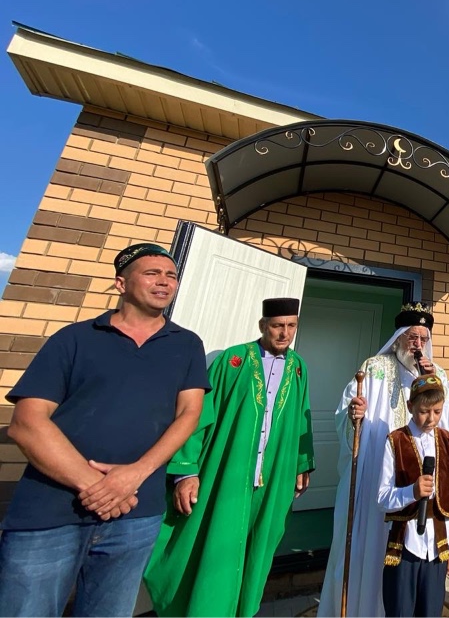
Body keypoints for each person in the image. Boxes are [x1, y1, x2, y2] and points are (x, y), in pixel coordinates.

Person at [0, 243, 208, 617]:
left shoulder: (187, 345)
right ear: (120, 283)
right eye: (152, 273)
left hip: (136, 514)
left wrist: (134, 476)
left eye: (171, 275)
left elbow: (189, 415)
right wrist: (99, 486)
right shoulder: (74, 339)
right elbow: (27, 423)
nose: (164, 281)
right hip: (50, 513)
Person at [144, 297, 315, 617]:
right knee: (213, 545)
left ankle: (241, 612)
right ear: (263, 325)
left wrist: (301, 465)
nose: (285, 333)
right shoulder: (234, 360)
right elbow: (198, 415)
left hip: (272, 479)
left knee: (257, 547)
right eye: (277, 326)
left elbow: (301, 417)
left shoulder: (299, 367)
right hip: (226, 474)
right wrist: (186, 470)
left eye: (291, 326)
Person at [318, 303, 449, 617]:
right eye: (412, 337)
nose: (418, 345)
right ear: (398, 339)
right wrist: (354, 416)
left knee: (412, 568)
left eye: (423, 338)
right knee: (371, 551)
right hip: (376, 481)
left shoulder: (438, 374)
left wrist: (435, 383)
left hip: (420, 488)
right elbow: (347, 414)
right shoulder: (373, 369)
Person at [378, 375, 449, 617]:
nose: (431, 419)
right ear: (410, 406)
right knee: (400, 611)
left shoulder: (447, 441)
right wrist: (411, 492)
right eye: (424, 412)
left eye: (437, 411)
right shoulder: (395, 441)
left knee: (431, 611)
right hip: (405, 547)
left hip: (437, 547)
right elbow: (382, 498)